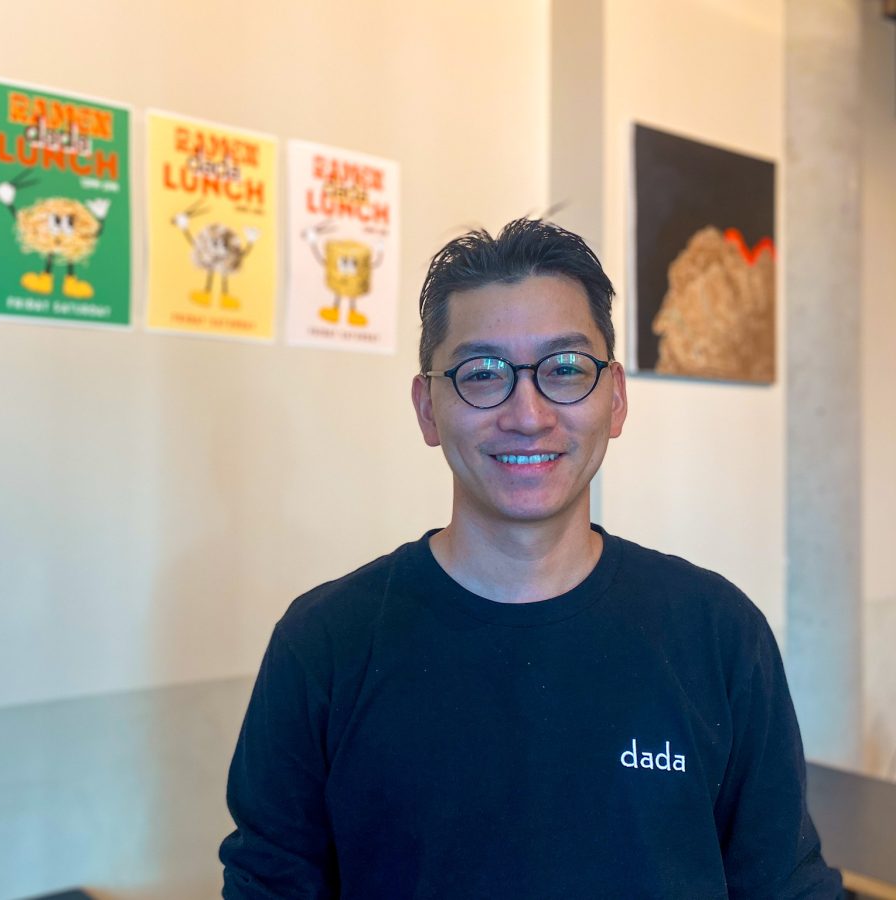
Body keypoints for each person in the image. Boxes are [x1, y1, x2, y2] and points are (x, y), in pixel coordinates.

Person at [219, 219, 842, 899]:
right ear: (428, 408)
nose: (528, 412)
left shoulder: (718, 634)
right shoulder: (324, 647)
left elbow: (785, 886)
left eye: (565, 370)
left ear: (617, 399)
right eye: (482, 373)